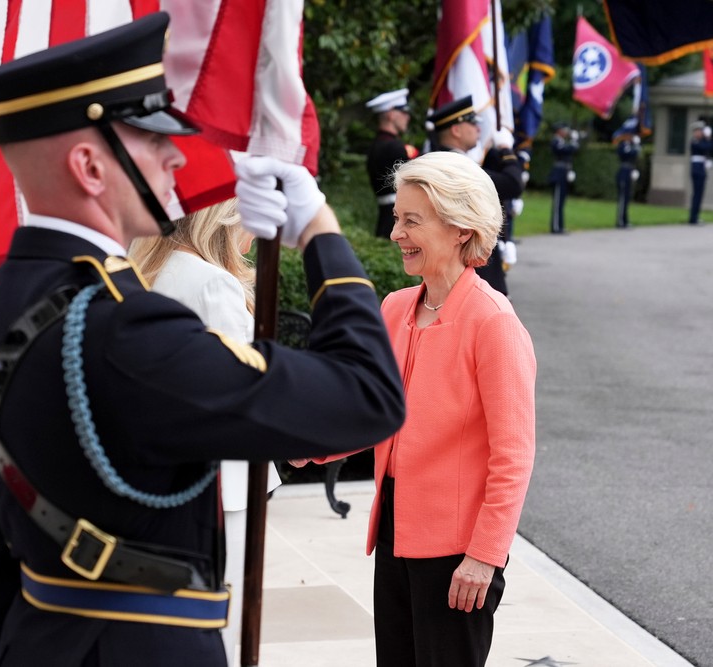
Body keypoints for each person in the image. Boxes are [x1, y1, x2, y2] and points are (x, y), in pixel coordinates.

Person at [0, 13, 405, 666]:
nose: (177, 157)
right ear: (89, 167)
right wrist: (319, 230)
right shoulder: (123, 328)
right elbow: (368, 395)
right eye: (154, 139)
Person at [296, 151, 536, 666]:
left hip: (458, 553)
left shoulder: (494, 323)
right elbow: (372, 414)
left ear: (461, 228)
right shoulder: (395, 307)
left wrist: (484, 555)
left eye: (411, 220)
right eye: (397, 218)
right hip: (394, 531)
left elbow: (513, 457)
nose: (395, 233)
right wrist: (303, 446)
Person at [128, 198, 282, 666]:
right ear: (225, 218)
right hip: (219, 483)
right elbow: (248, 390)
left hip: (158, 480)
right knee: (219, 629)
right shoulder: (211, 282)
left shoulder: (145, 270)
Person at [427, 96, 523, 296]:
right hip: (472, 266)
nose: (478, 129)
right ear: (456, 130)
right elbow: (513, 184)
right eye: (472, 124)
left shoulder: (441, 161)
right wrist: (506, 149)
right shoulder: (458, 167)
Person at [366, 87, 413, 238]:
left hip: (385, 218)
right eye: (404, 112)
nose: (407, 117)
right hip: (398, 219)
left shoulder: (376, 145)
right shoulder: (394, 147)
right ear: (391, 114)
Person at [548, 122, 579, 234]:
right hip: (558, 174)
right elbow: (565, 150)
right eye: (564, 129)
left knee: (561, 201)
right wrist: (574, 141)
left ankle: (560, 226)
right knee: (557, 202)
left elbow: (573, 151)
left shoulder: (562, 142)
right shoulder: (556, 141)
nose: (566, 132)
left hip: (564, 173)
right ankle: (556, 226)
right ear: (559, 130)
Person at [613, 118, 641, 229]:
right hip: (624, 172)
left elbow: (635, 156)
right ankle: (620, 221)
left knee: (627, 197)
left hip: (629, 171)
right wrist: (635, 147)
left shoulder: (630, 145)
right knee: (623, 198)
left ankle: (625, 220)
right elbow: (627, 154)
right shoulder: (622, 145)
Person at [688, 120, 713, 225]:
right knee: (697, 194)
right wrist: (708, 138)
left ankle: (695, 216)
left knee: (699, 194)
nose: (701, 133)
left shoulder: (700, 141)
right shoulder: (695, 141)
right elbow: (707, 147)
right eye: (699, 131)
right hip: (697, 170)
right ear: (696, 132)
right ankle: (693, 218)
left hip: (700, 168)